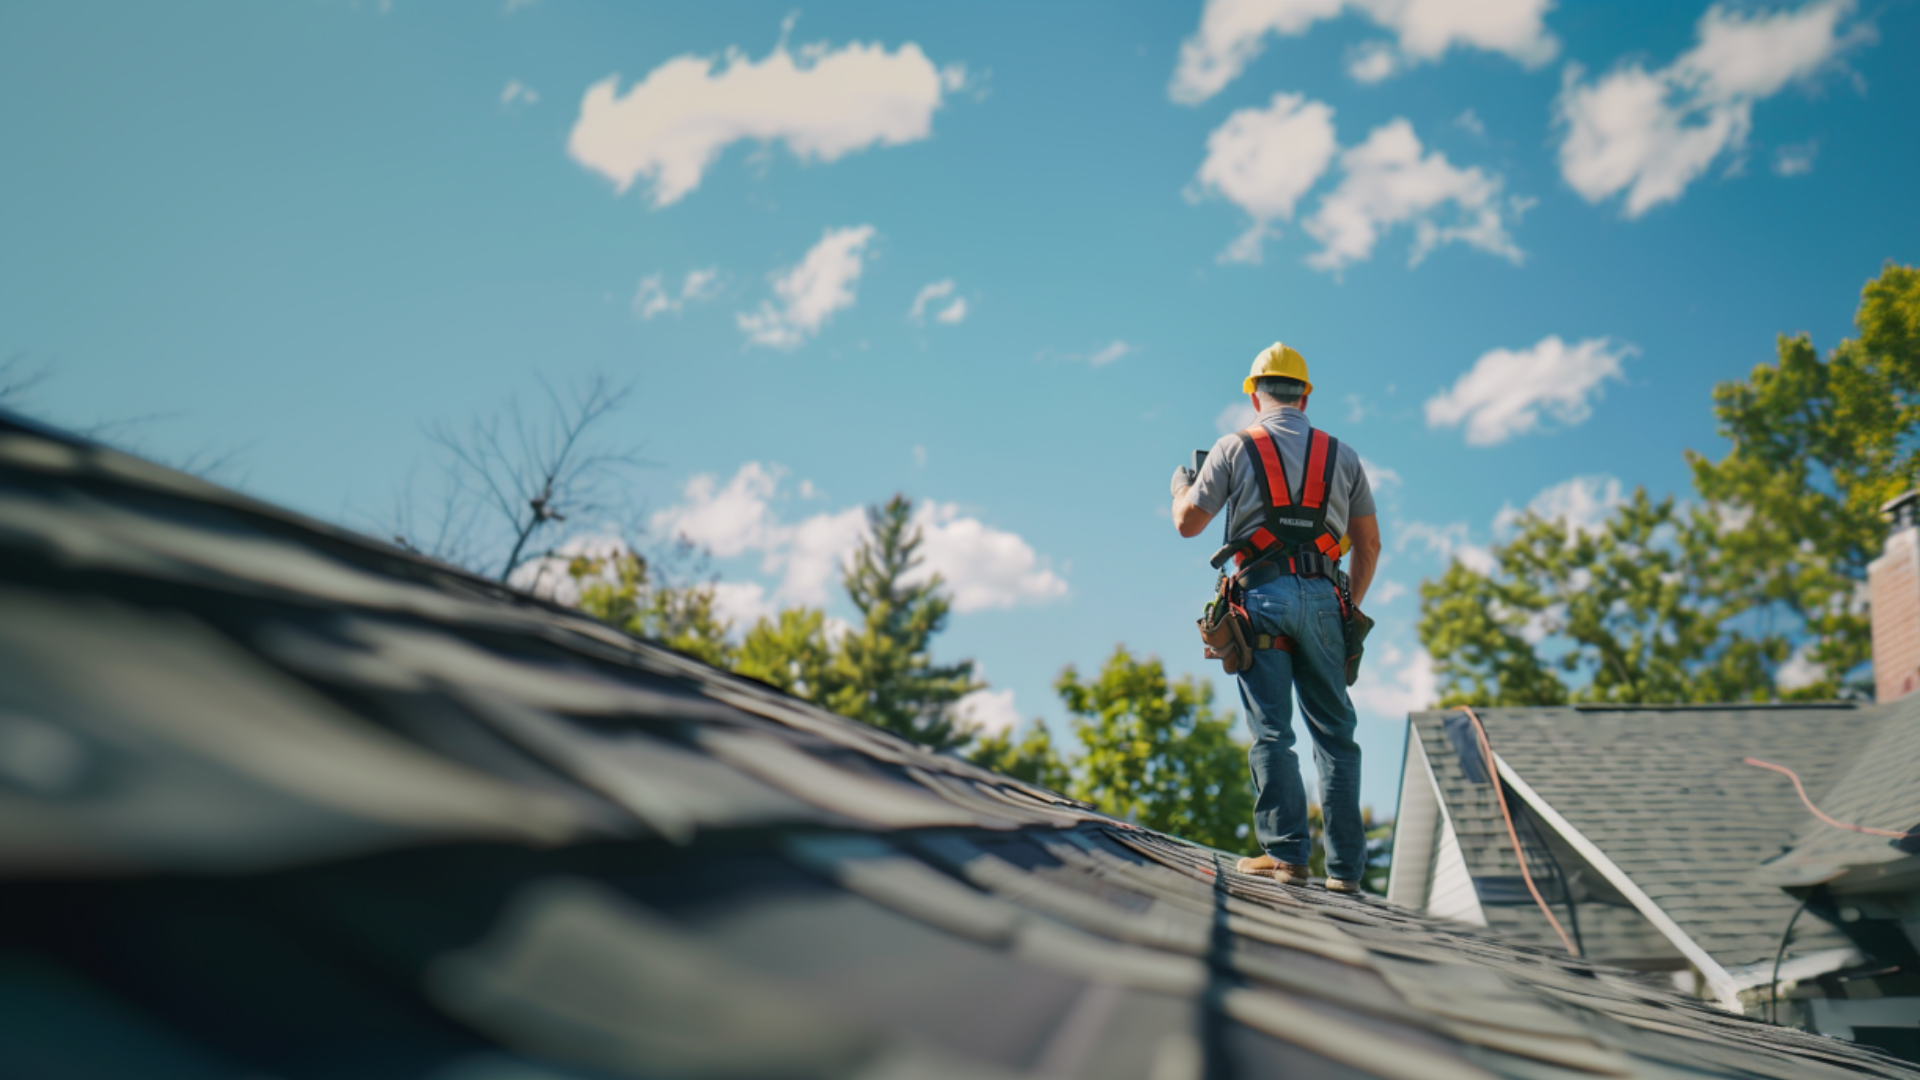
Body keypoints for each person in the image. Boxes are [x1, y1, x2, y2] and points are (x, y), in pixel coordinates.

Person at [1168, 343, 1382, 891]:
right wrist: (1348, 607)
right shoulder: (1346, 457)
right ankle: (1346, 874)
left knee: (1272, 731)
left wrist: (1179, 490)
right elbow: (1369, 545)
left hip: (1261, 600)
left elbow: (1189, 524)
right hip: (1325, 601)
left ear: (1255, 395)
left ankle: (1287, 857)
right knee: (1336, 737)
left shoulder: (1232, 447)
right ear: (1305, 396)